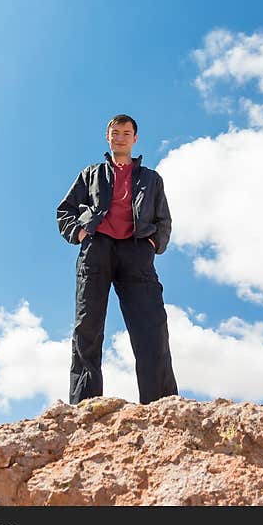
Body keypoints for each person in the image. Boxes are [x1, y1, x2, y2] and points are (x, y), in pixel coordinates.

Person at [56, 114, 179, 405]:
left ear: (135, 139)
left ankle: (160, 403)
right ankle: (84, 405)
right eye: (115, 132)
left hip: (136, 252)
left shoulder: (151, 178)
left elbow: (164, 219)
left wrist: (152, 244)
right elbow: (65, 210)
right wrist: (80, 233)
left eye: (126, 132)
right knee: (87, 326)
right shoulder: (91, 174)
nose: (120, 137)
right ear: (108, 137)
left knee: (152, 326)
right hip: (96, 249)